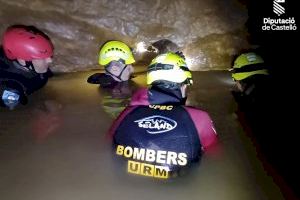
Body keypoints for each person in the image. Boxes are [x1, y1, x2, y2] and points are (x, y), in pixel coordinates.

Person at [107, 52, 217, 179]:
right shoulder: (199, 118)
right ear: (184, 85)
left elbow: (109, 144)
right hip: (178, 187)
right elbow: (215, 157)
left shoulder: (127, 112)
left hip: (129, 183)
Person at [0, 25, 54, 110]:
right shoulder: (10, 89)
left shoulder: (34, 65)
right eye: (42, 58)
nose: (50, 60)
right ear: (22, 60)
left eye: (49, 56)